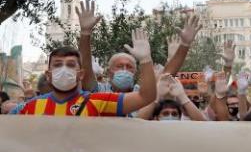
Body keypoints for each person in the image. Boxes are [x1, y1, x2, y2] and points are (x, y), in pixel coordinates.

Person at [20, 32, 157, 117]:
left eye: (71, 65)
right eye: (57, 64)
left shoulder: (98, 102)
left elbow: (146, 97)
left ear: (81, 74)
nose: (64, 69)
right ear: (48, 74)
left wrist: (145, 60)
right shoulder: (30, 107)